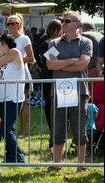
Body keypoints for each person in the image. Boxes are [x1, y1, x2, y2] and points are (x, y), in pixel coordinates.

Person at [46, 11, 93, 172]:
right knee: (58, 127)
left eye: (67, 21)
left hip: (79, 90)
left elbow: (82, 65)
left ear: (76, 24)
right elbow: (50, 65)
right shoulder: (53, 43)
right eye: (62, 21)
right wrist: (74, 60)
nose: (63, 23)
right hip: (59, 90)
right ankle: (57, 163)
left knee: (79, 127)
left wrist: (62, 63)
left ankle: (81, 165)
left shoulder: (86, 42)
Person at [0, 34, 26, 163]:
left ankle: (19, 157)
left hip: (13, 97)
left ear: (1, 43)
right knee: (9, 129)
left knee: (5, 129)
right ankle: (10, 156)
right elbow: (2, 77)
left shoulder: (14, 52)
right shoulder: (5, 56)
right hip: (1, 97)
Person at [6, 14, 35, 138]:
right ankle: (9, 129)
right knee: (9, 101)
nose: (11, 26)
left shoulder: (24, 39)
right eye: (9, 23)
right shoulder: (6, 38)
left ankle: (22, 131)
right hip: (8, 74)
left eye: (13, 23)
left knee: (23, 102)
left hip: (22, 74)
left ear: (19, 24)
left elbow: (31, 58)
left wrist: (16, 60)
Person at [38, 19, 63, 153]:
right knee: (50, 108)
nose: (62, 31)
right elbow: (51, 63)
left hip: (61, 79)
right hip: (49, 80)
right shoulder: (45, 45)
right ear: (54, 30)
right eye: (60, 29)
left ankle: (59, 140)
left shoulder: (63, 43)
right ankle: (52, 141)